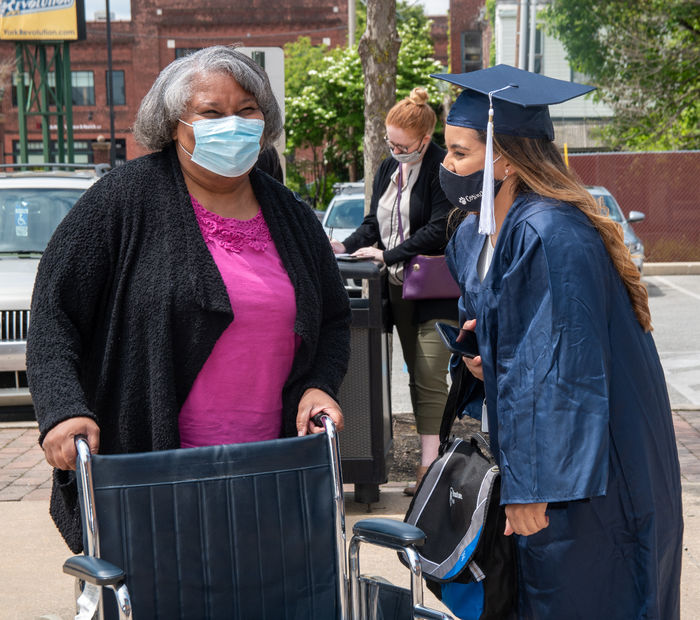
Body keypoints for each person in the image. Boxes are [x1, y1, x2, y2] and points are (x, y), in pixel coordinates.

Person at [26, 45, 352, 553]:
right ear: (174, 124)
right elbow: (53, 313)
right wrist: (63, 409)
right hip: (153, 468)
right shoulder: (121, 201)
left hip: (273, 470)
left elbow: (332, 318)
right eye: (211, 112)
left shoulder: (290, 214)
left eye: (247, 110)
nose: (234, 124)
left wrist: (320, 385)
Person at [434, 64, 683, 618]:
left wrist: (533, 487)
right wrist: (480, 359)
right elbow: (518, 343)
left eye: (458, 152)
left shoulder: (548, 231)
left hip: (593, 470)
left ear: (502, 157)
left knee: (587, 592)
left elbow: (564, 367)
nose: (445, 167)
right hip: (557, 456)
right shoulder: (483, 231)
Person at [330, 87, 458, 495]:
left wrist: (389, 253)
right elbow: (373, 222)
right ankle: (434, 461)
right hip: (398, 290)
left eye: (403, 145)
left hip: (436, 288)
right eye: (390, 142)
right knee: (415, 379)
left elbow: (439, 227)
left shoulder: (443, 167)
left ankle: (429, 468)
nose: (395, 150)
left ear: (424, 140)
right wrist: (345, 246)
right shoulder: (388, 167)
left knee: (429, 374)